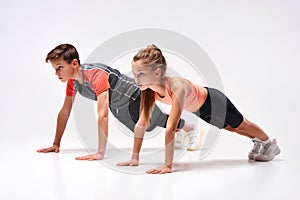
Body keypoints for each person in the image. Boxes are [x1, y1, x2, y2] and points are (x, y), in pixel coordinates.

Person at [117, 44, 281, 174]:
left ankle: (269, 142)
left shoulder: (176, 85)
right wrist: (135, 158)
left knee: (241, 124)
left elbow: (171, 127)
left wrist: (168, 166)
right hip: (200, 110)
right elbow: (141, 124)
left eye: (141, 74)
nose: (136, 79)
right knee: (231, 128)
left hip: (213, 101)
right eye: (134, 74)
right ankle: (258, 141)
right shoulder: (148, 92)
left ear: (157, 72)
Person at [37, 44, 202, 160]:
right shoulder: (73, 82)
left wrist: (100, 153)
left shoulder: (96, 75)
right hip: (118, 105)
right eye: (54, 68)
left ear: (74, 63)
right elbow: (65, 111)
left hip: (134, 95)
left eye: (59, 67)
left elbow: (102, 115)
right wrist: (56, 144)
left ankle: (190, 129)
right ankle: (183, 128)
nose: (57, 73)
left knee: (154, 122)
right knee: (153, 123)